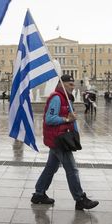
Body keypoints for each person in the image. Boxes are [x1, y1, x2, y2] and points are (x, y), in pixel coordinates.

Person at [32, 74, 99, 210]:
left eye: (73, 84)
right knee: (72, 169)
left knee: (51, 168)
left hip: (62, 137)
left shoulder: (66, 98)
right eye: (70, 84)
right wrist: (66, 119)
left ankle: (39, 193)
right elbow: (49, 119)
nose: (72, 87)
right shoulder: (57, 98)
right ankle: (80, 199)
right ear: (61, 84)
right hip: (59, 139)